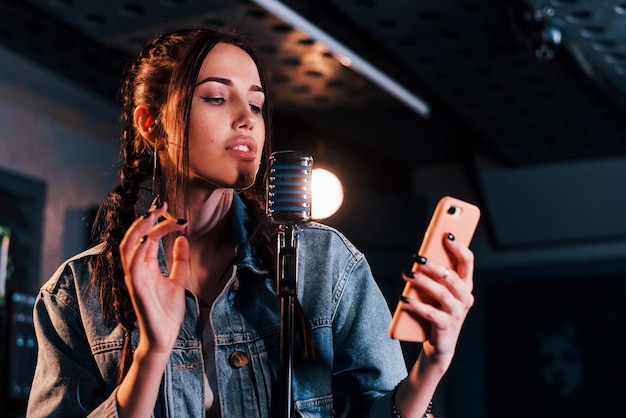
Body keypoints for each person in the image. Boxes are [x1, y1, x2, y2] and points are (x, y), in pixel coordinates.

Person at [26, 27, 475, 418]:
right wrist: (151, 355)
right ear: (152, 125)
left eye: (257, 105)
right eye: (217, 98)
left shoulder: (326, 264)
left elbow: (381, 407)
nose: (247, 121)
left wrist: (433, 364)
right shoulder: (75, 294)